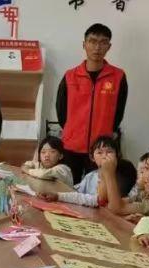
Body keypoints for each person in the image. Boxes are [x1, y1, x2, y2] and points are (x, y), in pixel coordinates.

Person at [57, 24, 128, 182]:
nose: (97, 47)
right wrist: (73, 131)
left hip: (101, 148)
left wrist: (106, 133)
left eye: (103, 42)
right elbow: (61, 111)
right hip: (71, 146)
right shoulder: (70, 76)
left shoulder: (118, 76)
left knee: (97, 190)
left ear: (109, 46)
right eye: (92, 41)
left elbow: (119, 112)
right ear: (84, 44)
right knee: (68, 187)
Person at [37, 135, 118, 207]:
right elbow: (77, 193)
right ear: (92, 157)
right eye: (99, 153)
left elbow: (98, 200)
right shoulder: (90, 176)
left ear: (117, 155)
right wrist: (57, 195)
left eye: (109, 152)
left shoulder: (119, 177)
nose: (104, 156)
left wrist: (59, 196)